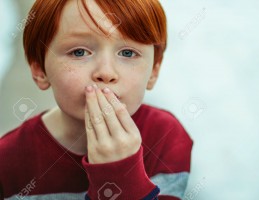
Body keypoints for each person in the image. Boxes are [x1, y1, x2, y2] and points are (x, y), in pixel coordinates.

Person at [0, 0, 193, 199]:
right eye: (79, 52)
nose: (106, 73)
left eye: (127, 53)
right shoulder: (7, 161)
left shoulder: (168, 137)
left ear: (154, 71)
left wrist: (120, 176)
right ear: (40, 69)